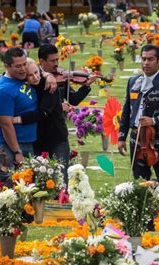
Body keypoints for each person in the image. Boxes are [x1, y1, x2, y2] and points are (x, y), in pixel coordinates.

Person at [13, 44, 96, 184]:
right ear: (42, 61)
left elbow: (73, 99)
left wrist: (86, 85)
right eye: (52, 61)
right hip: (37, 137)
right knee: (40, 180)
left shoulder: (60, 79)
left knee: (61, 178)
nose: (56, 64)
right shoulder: (28, 78)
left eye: (57, 60)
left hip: (58, 135)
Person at [118, 44, 159, 210]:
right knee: (140, 181)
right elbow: (126, 111)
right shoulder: (133, 81)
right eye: (143, 59)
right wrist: (121, 137)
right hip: (135, 139)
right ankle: (144, 212)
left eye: (150, 59)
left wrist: (154, 121)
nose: (145, 63)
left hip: (157, 142)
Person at [0, 48, 39, 168]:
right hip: (9, 147)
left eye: (24, 64)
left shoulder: (21, 79)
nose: (23, 69)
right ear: (7, 66)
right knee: (10, 185)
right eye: (18, 66)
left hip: (27, 142)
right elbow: (6, 124)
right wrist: (17, 152)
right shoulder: (4, 91)